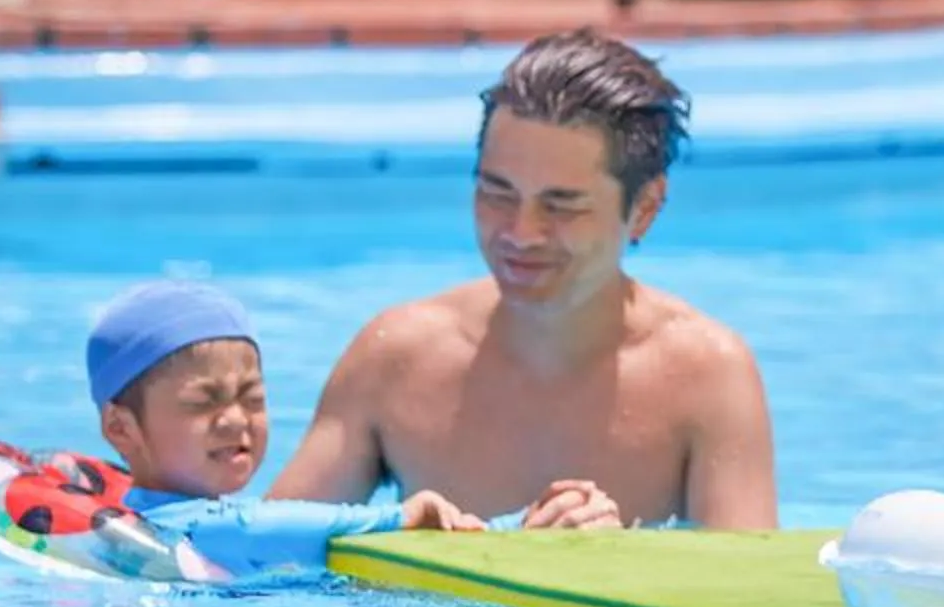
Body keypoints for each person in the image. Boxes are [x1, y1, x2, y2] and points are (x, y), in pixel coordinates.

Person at [270, 29, 779, 529]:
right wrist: (389, 529)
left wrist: (618, 566)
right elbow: (242, 561)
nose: (520, 233)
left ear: (644, 208)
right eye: (498, 193)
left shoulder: (706, 377)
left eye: (560, 205)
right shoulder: (397, 359)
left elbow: (746, 595)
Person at [88, 279, 481, 577]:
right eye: (202, 402)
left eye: (253, 397)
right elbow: (257, 526)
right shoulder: (182, 525)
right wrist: (399, 517)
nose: (236, 419)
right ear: (121, 428)